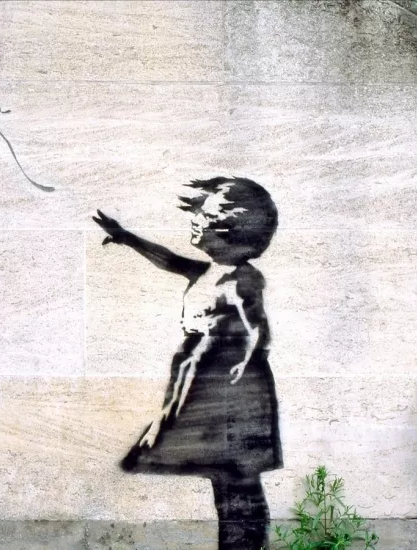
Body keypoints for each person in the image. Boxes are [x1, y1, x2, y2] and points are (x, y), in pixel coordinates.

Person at [93, 177, 282, 550]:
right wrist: (127, 237)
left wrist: (245, 362)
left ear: (231, 229)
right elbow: (168, 259)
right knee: (227, 477)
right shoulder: (210, 271)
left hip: (230, 387)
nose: (195, 219)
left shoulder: (240, 279)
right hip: (213, 379)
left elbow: (258, 329)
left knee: (237, 479)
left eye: (206, 216)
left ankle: (244, 545)